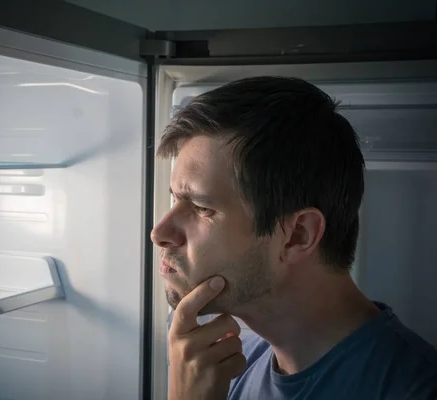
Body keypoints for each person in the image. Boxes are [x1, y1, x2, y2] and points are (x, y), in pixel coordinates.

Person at [151, 76, 437, 400]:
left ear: (298, 236)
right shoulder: (222, 366)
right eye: (176, 199)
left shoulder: (415, 389)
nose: (159, 233)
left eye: (202, 207)